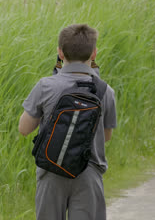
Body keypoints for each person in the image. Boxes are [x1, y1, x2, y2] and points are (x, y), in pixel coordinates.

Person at [18, 24, 117, 220]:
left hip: (51, 173)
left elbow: (24, 129)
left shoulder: (45, 86)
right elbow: (106, 137)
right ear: (94, 53)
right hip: (89, 175)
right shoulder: (106, 91)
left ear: (60, 53)